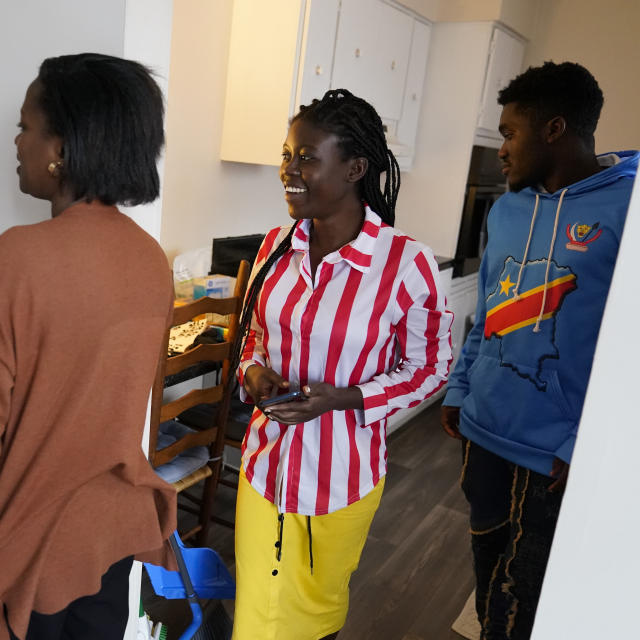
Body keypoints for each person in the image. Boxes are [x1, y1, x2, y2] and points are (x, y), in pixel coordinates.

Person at [0, 53, 178, 640]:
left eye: (26, 125)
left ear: (63, 147)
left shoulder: (15, 261)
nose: (18, 141)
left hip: (22, 548)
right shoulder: (151, 260)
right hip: (107, 533)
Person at [231, 89, 454, 640]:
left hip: (342, 479)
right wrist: (254, 373)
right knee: (255, 610)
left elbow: (432, 366)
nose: (289, 170)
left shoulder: (406, 264)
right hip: (263, 468)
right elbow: (253, 337)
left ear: (356, 167)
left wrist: (348, 398)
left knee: (316, 613)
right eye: (287, 155)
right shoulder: (273, 247)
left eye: (307, 157)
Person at [440, 61, 638, 640]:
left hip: (554, 455)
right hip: (482, 432)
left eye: (508, 133)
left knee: (524, 596)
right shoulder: (505, 209)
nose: (501, 150)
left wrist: (588, 444)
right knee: (487, 572)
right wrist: (460, 388)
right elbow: (487, 309)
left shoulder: (627, 209)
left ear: (554, 129)